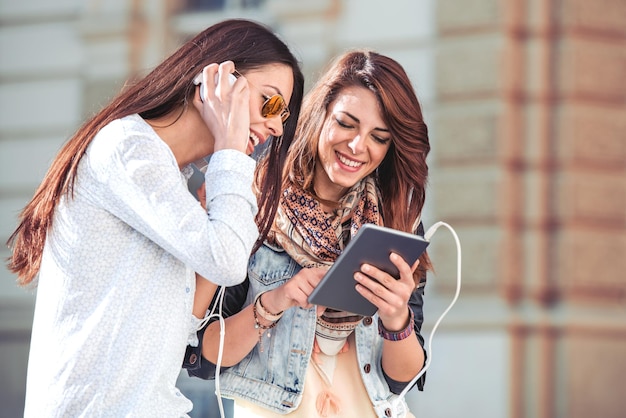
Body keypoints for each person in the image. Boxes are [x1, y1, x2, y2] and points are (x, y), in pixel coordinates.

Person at [5, 19, 304, 417]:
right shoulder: (129, 148)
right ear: (219, 78)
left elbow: (180, 331)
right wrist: (231, 149)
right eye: (271, 102)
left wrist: (219, 195)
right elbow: (230, 261)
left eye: (284, 116)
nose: (276, 125)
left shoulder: (175, 182)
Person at [184, 49, 432, 418]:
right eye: (346, 124)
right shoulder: (251, 201)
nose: (357, 146)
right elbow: (203, 355)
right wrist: (275, 302)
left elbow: (403, 380)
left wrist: (396, 318)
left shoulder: (394, 221)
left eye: (378, 137)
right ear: (320, 114)